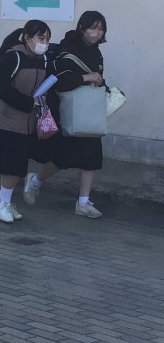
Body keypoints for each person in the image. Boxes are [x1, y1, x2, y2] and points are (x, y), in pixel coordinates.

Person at [23, 11, 108, 219]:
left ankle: (83, 202)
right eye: (92, 27)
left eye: (100, 29)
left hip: (89, 111)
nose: (96, 33)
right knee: (63, 156)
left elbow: (98, 78)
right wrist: (86, 77)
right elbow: (57, 81)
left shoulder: (96, 53)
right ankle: (35, 180)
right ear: (81, 28)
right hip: (67, 111)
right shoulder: (67, 50)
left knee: (92, 157)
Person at [0, 20, 51, 223]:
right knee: (10, 164)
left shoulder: (42, 61)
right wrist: (27, 102)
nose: (44, 43)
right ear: (27, 38)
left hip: (27, 121)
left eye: (47, 39)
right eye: (40, 38)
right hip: (5, 119)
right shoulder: (13, 57)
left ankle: (5, 202)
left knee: (17, 165)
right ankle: (2, 203)